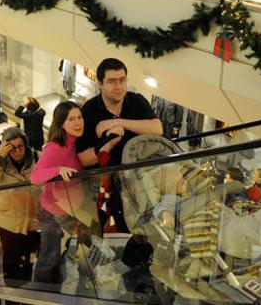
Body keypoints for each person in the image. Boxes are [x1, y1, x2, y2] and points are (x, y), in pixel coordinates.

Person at [76, 58, 162, 233]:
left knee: (143, 228)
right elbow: (84, 158)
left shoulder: (136, 101)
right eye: (112, 81)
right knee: (114, 230)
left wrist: (121, 123)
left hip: (141, 179)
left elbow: (157, 128)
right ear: (100, 83)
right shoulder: (89, 110)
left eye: (122, 80)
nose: (119, 86)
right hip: (109, 185)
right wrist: (108, 142)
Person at [30, 101, 96, 285]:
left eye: (79, 117)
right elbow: (35, 176)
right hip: (53, 213)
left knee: (60, 253)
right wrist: (57, 169)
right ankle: (42, 296)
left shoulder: (76, 141)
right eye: (71, 119)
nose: (78, 122)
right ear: (61, 123)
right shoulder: (57, 146)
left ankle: (55, 287)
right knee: (49, 257)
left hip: (66, 210)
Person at [0, 127, 41, 287]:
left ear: (25, 145)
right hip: (8, 221)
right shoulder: (1, 162)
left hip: (33, 220)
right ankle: (12, 291)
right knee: (11, 259)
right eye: (12, 147)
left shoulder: (36, 157)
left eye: (20, 146)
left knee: (30, 256)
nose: (17, 150)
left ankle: (28, 286)